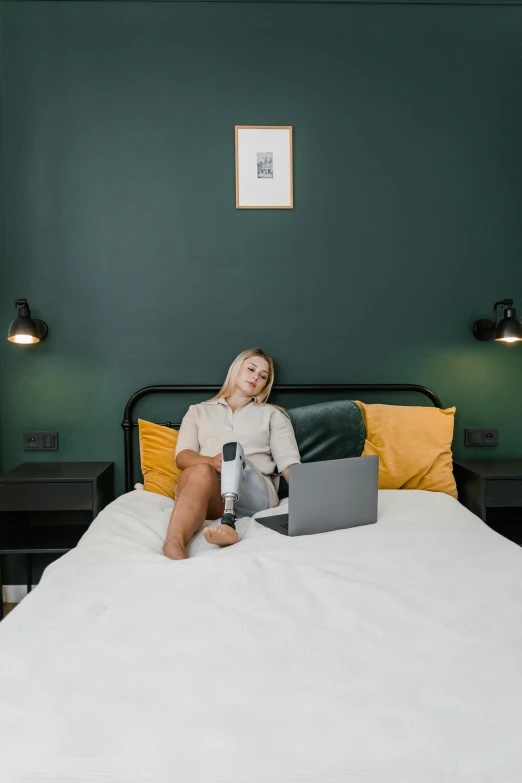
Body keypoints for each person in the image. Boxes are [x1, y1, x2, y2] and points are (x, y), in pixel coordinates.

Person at [163, 349, 301, 560]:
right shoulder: (198, 411)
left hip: (252, 494)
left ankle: (229, 522)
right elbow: (182, 457)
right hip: (207, 491)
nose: (256, 377)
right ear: (236, 368)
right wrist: (211, 461)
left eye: (263, 376)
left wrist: (312, 501)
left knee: (234, 453)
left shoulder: (273, 414)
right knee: (200, 471)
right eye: (251, 369)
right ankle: (174, 544)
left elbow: (289, 464)